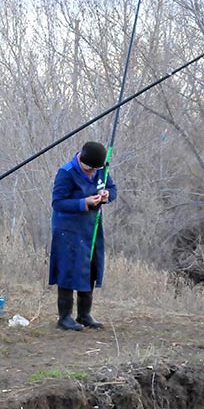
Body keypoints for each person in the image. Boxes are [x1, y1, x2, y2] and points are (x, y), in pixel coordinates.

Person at [48, 140, 118, 331]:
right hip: (68, 230)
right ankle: (64, 318)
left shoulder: (101, 170)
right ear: (81, 160)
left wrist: (106, 196)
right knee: (68, 269)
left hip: (92, 228)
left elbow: (113, 189)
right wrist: (84, 202)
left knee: (90, 268)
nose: (92, 173)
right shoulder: (66, 172)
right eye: (89, 169)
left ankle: (84, 315)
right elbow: (58, 203)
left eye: (96, 170)